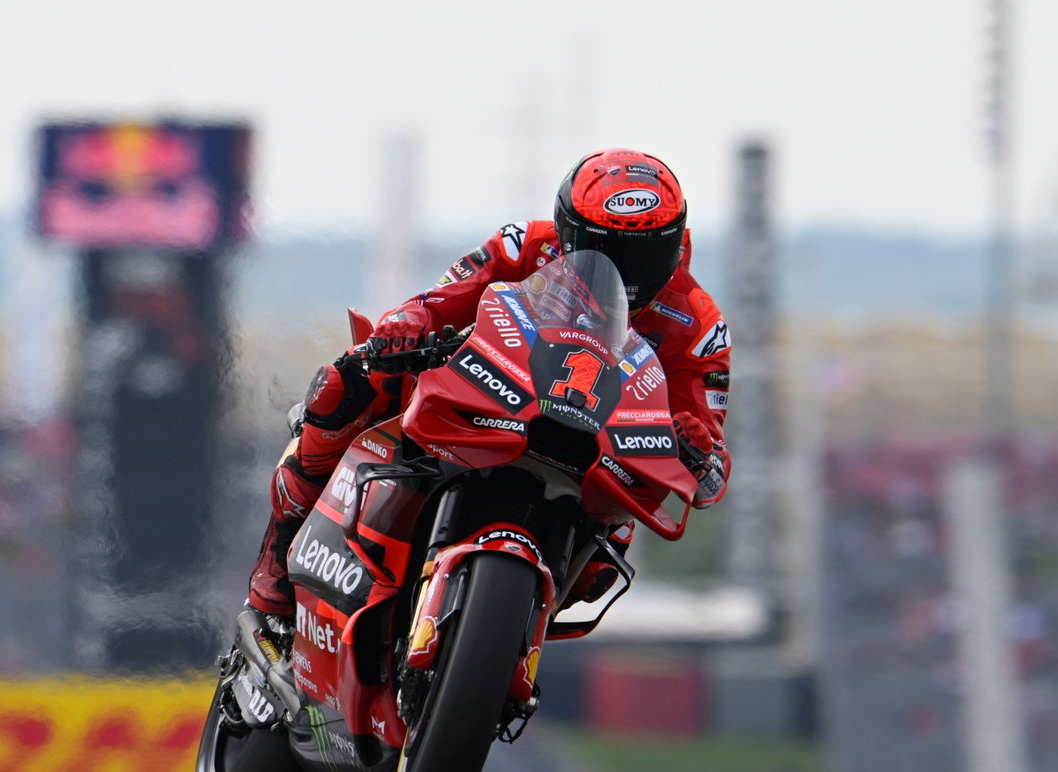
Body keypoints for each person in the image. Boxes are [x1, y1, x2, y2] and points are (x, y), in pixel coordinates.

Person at [246, 147, 731, 620]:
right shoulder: (523, 246)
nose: (624, 274)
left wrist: (697, 446)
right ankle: (279, 556)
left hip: (594, 460)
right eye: (605, 251)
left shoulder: (700, 326)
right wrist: (407, 324)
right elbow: (438, 301)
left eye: (645, 255)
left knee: (596, 575)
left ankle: (507, 648)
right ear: (568, 233)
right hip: (493, 399)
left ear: (676, 243)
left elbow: (712, 471)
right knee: (347, 383)